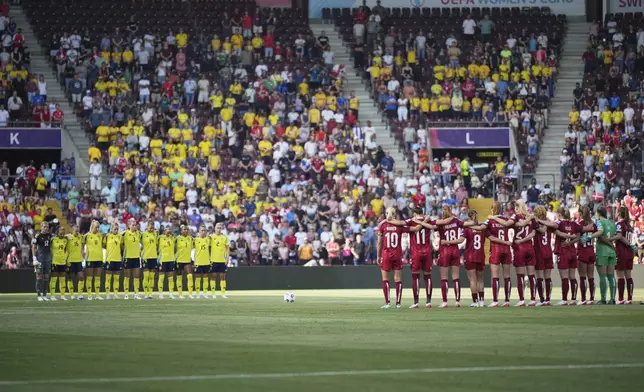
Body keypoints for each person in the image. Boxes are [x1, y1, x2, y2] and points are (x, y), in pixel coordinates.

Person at [386, 208, 433, 308]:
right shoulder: (429, 220)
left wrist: (389, 217)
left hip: (416, 252)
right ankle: (428, 302)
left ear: (415, 213)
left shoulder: (411, 221)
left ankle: (416, 302)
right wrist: (425, 220)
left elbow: (400, 223)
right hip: (427, 251)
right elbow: (435, 226)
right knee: (428, 276)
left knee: (415, 277)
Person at [377, 207, 409, 309]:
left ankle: (387, 303)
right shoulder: (399, 225)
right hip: (397, 254)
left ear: (386, 213)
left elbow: (379, 243)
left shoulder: (382, 225)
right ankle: (398, 303)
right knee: (398, 279)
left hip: (386, 254)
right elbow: (410, 228)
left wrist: (378, 256)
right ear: (395, 214)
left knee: (385, 279)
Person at [486, 202, 516, 307]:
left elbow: (491, 237)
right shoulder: (506, 220)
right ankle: (507, 300)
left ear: (492, 209)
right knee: (507, 276)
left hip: (495, 249)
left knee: (495, 276)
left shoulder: (489, 221)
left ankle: (495, 301)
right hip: (506, 249)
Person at [435, 206, 464, 308]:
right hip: (455, 249)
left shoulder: (440, 222)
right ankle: (457, 301)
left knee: (444, 278)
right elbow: (464, 224)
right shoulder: (456, 220)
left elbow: (432, 225)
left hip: (444, 250)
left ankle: (445, 302)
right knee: (456, 277)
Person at [553, 208, 581, 306]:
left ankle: (564, 300)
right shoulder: (574, 224)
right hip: (573, 251)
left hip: (563, 251)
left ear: (560, 214)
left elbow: (554, 229)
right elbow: (579, 235)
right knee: (572, 276)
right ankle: (573, 299)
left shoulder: (559, 223)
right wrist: (571, 241)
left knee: (564, 278)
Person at [511, 200, 537, 306]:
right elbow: (534, 233)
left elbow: (520, 224)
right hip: (530, 247)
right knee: (531, 276)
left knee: (520, 275)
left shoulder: (516, 217)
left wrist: (521, 241)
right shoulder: (530, 217)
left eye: (516, 207)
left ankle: (521, 300)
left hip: (519, 248)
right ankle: (533, 299)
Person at [463, 210, 487, 307]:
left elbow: (461, 239)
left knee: (472, 280)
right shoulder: (482, 228)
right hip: (480, 255)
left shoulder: (467, 228)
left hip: (470, 256)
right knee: (480, 279)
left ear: (469, 217)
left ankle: (475, 301)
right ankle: (482, 301)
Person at [611, 206, 635, 304]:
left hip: (621, 252)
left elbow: (619, 236)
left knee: (620, 276)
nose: (615, 214)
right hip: (630, 252)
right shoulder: (629, 225)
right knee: (628, 276)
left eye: (617, 212)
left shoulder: (620, 224)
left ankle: (620, 299)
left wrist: (610, 238)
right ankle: (629, 298)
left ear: (619, 213)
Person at [534, 206, 557, 306]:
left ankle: (542, 300)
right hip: (548, 251)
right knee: (548, 277)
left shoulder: (535, 223)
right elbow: (554, 224)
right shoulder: (548, 223)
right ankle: (548, 299)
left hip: (539, 252)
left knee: (539, 277)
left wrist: (538, 219)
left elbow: (542, 230)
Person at [594, 206, 617, 304]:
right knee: (611, 276)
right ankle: (612, 299)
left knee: (603, 276)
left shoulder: (599, 222)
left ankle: (603, 299)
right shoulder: (612, 224)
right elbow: (614, 236)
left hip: (602, 252)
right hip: (612, 252)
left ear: (599, 213)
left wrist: (589, 236)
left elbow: (600, 233)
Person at [577, 206, 597, 305]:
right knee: (591, 276)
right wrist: (590, 236)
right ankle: (592, 298)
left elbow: (576, 237)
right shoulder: (593, 223)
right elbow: (599, 232)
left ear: (580, 213)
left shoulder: (580, 224)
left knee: (582, 276)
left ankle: (583, 299)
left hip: (583, 251)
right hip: (591, 251)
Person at [32, 221, 53, 301]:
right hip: (40, 258)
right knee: (39, 277)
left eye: (47, 227)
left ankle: (45, 295)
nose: (46, 228)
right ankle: (39, 295)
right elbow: (33, 247)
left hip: (47, 259)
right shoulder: (37, 236)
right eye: (44, 227)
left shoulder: (49, 235)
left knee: (46, 277)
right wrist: (34, 257)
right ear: (41, 227)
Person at [122, 220, 142, 299]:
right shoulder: (124, 233)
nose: (134, 226)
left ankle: (136, 294)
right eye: (133, 225)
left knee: (137, 276)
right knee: (127, 276)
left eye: (135, 225)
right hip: (128, 257)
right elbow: (120, 243)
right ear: (129, 226)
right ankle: (126, 294)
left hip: (136, 257)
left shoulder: (138, 233)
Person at [84, 220, 104, 300]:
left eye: (98, 227)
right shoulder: (87, 236)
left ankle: (97, 295)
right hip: (90, 258)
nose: (98, 229)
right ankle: (89, 295)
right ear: (92, 227)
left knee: (97, 277)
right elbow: (81, 244)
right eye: (96, 227)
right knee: (89, 277)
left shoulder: (100, 235)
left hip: (99, 258)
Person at [210, 223, 230, 299]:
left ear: (221, 229)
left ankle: (223, 293)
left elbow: (227, 249)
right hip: (213, 260)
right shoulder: (211, 237)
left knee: (222, 277)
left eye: (220, 228)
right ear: (214, 228)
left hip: (222, 260)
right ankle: (213, 293)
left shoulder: (225, 237)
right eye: (217, 228)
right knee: (213, 276)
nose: (218, 229)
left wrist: (227, 258)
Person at [104, 222, 123, 300]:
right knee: (108, 278)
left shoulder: (119, 236)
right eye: (115, 228)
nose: (116, 230)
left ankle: (115, 294)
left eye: (117, 229)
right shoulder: (107, 236)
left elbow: (121, 247)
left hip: (118, 259)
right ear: (111, 229)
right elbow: (103, 245)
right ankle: (108, 294)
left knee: (116, 278)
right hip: (110, 259)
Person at [49, 227, 69, 300]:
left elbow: (66, 250)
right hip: (55, 261)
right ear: (57, 231)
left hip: (62, 262)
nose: (63, 231)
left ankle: (62, 295)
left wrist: (65, 258)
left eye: (64, 230)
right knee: (54, 279)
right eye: (61, 230)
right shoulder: (53, 239)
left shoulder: (65, 240)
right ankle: (52, 295)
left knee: (63, 279)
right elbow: (49, 248)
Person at [66, 225, 85, 300]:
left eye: (78, 231)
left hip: (79, 260)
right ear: (72, 230)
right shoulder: (68, 237)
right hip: (70, 260)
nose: (77, 232)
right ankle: (72, 295)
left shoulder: (81, 237)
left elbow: (83, 245)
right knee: (70, 277)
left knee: (81, 277)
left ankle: (80, 295)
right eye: (76, 230)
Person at [175, 225, 195, 298]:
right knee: (179, 277)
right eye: (184, 229)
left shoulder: (191, 239)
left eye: (187, 229)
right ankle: (180, 294)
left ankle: (190, 294)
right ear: (181, 231)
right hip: (179, 260)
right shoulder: (177, 239)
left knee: (190, 276)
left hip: (187, 260)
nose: (186, 231)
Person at [157, 227, 177, 299]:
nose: (169, 232)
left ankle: (171, 293)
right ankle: (160, 293)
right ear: (164, 231)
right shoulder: (160, 238)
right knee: (161, 277)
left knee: (171, 278)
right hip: (162, 260)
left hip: (171, 259)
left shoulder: (173, 238)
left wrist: (171, 233)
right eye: (167, 230)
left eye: (170, 230)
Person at [141, 224, 159, 299]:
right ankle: (145, 294)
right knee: (146, 276)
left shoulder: (155, 234)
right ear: (146, 227)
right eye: (150, 226)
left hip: (154, 257)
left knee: (152, 277)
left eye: (152, 227)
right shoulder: (143, 234)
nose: (151, 228)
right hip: (146, 257)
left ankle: (150, 294)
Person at [194, 226, 211, 298]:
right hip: (198, 261)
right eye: (202, 230)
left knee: (205, 278)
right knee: (197, 278)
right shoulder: (195, 240)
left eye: (205, 230)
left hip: (206, 261)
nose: (203, 232)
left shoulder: (209, 239)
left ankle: (205, 293)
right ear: (199, 231)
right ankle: (197, 293)